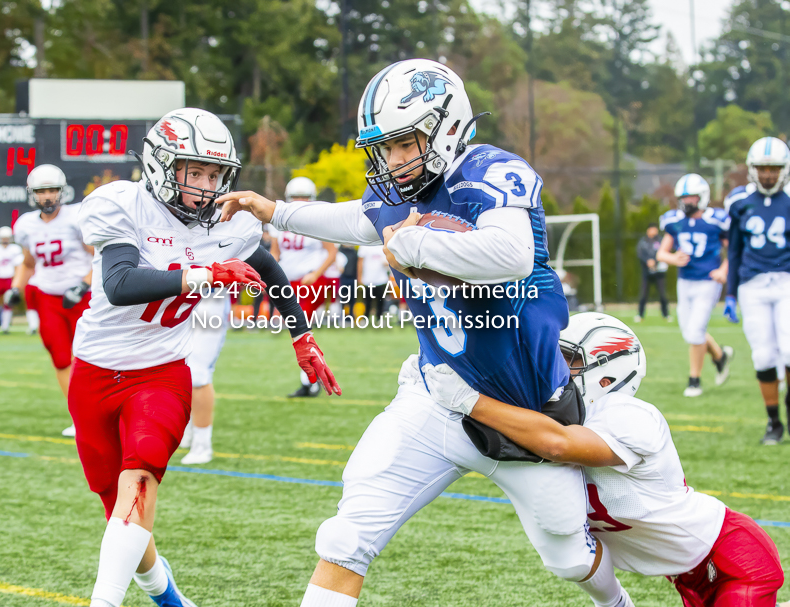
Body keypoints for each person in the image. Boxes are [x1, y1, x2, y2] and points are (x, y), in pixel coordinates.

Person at [220, 58, 634, 607]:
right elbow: (356, 221)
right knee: (348, 535)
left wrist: (413, 246)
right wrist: (275, 211)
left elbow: (508, 255)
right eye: (384, 148)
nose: (392, 159)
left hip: (527, 412)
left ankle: (617, 603)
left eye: (403, 143)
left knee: (569, 556)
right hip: (437, 396)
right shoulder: (402, 192)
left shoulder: (492, 171)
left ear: (447, 126)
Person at [70, 108, 340, 607]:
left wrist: (301, 336)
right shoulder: (122, 203)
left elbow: (270, 271)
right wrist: (207, 274)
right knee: (121, 508)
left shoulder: (227, 222)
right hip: (94, 371)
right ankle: (167, 595)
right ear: (160, 165)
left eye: (216, 174)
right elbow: (121, 282)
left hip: (163, 371)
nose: (208, 185)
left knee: (143, 473)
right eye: (196, 172)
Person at [421, 312, 784, 607]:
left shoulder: (629, 415)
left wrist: (472, 401)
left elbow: (557, 446)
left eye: (567, 359)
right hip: (689, 571)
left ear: (608, 374)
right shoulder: (561, 419)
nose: (552, 369)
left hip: (735, 559)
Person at [4, 164, 93, 437]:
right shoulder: (26, 224)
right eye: (42, 191)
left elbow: (98, 256)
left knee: (89, 357)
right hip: (48, 297)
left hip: (82, 296)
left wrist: (83, 284)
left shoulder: (76, 217)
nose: (48, 196)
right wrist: (16, 287)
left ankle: (97, 415)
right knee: (61, 359)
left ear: (62, 191)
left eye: (52, 190)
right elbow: (28, 263)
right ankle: (80, 419)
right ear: (33, 194)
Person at [724, 136, 790, 445]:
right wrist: (731, 293)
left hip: (786, 280)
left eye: (773, 168)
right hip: (753, 284)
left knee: (789, 350)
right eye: (762, 168)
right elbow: (735, 250)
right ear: (752, 169)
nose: (767, 175)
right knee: (763, 355)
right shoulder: (739, 201)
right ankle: (773, 422)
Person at [657, 174, 734, 398]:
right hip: (685, 281)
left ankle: (694, 381)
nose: (687, 201)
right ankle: (719, 356)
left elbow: (734, 250)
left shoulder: (716, 220)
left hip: (708, 281)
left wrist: (723, 271)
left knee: (696, 330)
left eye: (691, 197)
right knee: (690, 331)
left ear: (702, 197)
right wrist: (673, 259)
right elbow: (662, 252)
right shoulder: (675, 220)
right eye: (683, 197)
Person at [269, 176, 339, 397]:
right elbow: (275, 254)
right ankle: (310, 381)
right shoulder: (279, 223)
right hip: (287, 282)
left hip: (310, 282)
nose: (300, 201)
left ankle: (311, 382)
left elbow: (332, 252)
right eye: (296, 196)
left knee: (300, 331)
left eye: (304, 197)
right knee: (298, 331)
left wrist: (315, 273)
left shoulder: (317, 221)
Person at [179, 289, 230, 465]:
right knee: (175, 368)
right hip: (175, 293)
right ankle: (185, 429)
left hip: (209, 296)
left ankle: (202, 445)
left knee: (198, 374)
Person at [0, 226, 24, 334]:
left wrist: (16, 280)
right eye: (3, 238)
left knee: (9, 303)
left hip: (10, 278)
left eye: (6, 237)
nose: (5, 240)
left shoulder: (15, 249)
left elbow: (18, 266)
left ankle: (5, 326)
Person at [635, 223, 670, 322]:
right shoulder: (643, 242)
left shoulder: (660, 240)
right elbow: (640, 254)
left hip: (659, 272)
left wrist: (655, 260)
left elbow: (664, 252)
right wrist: (648, 261)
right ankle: (640, 315)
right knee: (643, 294)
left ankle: (666, 315)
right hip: (646, 272)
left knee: (663, 294)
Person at [356, 244, 390, 321]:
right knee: (367, 301)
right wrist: (359, 277)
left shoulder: (383, 245)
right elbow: (360, 262)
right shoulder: (364, 246)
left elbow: (389, 260)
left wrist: (386, 263)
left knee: (380, 301)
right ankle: (365, 318)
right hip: (368, 279)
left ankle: (379, 319)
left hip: (381, 279)